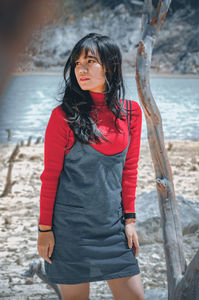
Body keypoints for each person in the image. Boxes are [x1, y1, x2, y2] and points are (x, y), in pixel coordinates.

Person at [37, 32, 144, 300]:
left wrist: (129, 220)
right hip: (70, 230)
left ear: (110, 65)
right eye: (76, 63)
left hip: (113, 228)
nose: (80, 69)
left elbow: (129, 171)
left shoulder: (131, 113)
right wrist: (44, 230)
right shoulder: (63, 116)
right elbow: (50, 177)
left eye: (90, 61)